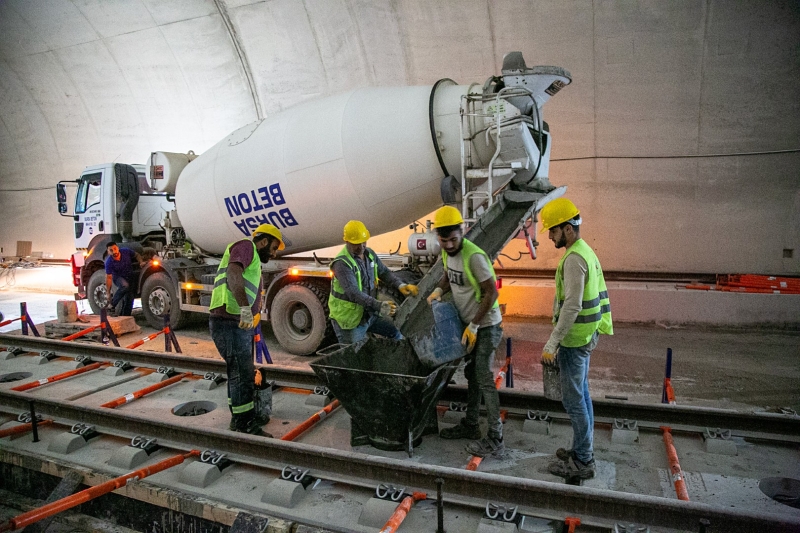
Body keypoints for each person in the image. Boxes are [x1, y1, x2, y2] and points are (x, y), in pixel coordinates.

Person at [539, 198, 613, 479]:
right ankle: (583, 449)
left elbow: (572, 306)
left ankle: (583, 460)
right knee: (582, 395)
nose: (550, 236)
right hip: (587, 334)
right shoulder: (585, 251)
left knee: (573, 401)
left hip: (575, 339)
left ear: (568, 229)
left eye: (553, 230)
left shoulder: (574, 259)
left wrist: (552, 343)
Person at [426, 206, 505, 459]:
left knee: (483, 376)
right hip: (470, 325)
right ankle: (471, 425)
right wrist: (439, 290)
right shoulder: (447, 253)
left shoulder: (474, 257)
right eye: (444, 240)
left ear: (462, 232)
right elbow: (448, 275)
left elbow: (491, 292)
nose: (449, 245)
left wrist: (474, 325)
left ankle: (496, 436)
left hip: (487, 325)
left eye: (453, 239)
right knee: (473, 374)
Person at [209, 223, 284, 436]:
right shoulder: (246, 246)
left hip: (235, 323)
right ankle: (245, 424)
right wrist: (244, 309)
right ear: (263, 241)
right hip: (229, 321)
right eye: (273, 247)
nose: (274, 253)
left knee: (238, 373)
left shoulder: (252, 258)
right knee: (243, 375)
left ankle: (239, 419)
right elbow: (233, 272)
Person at [328, 220, 418, 345]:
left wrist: (400, 285)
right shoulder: (342, 264)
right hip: (351, 321)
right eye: (356, 244)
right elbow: (354, 293)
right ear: (347, 241)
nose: (361, 246)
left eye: (364, 242)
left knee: (396, 332)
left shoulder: (369, 254)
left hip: (370, 314)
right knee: (355, 354)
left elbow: (384, 272)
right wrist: (379, 305)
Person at [104, 242, 143, 316]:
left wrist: (141, 262)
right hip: (118, 278)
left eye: (115, 249)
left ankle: (125, 316)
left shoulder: (126, 251)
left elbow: (137, 255)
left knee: (130, 298)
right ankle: (111, 305)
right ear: (108, 252)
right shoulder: (109, 262)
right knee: (125, 286)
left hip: (129, 276)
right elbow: (109, 278)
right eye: (111, 250)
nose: (114, 252)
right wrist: (108, 292)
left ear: (118, 248)